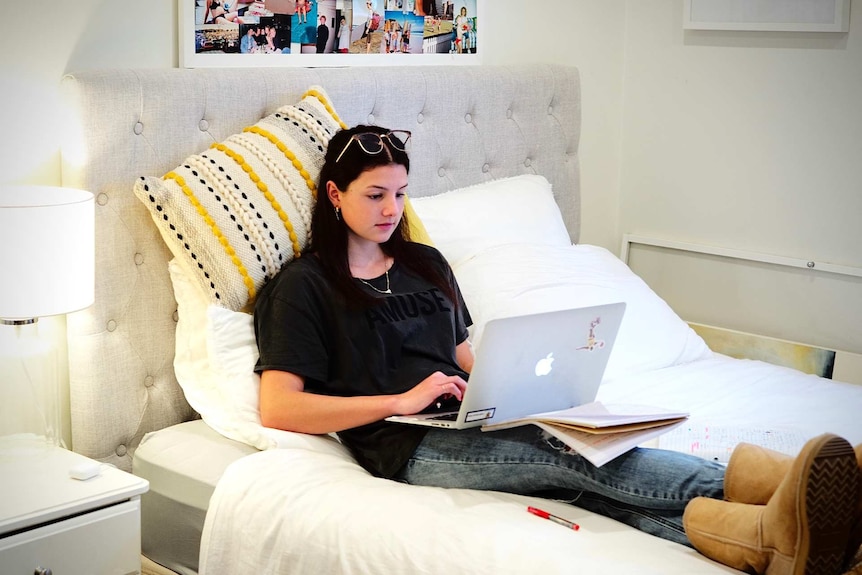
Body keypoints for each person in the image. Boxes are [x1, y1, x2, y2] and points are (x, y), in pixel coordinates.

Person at [254, 124, 862, 575]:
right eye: (375, 195)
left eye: (402, 194)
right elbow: (280, 408)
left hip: (472, 413)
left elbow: (460, 351)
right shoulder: (305, 286)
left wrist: (517, 383)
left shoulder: (425, 263)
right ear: (335, 196)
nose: (393, 210)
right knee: (571, 459)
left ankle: (771, 542)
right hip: (406, 443)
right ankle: (780, 489)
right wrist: (401, 399)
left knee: (581, 471)